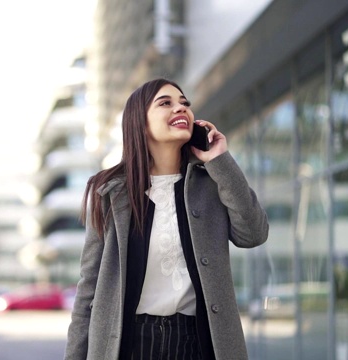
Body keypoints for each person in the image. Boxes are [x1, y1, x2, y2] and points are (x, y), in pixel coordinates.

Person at [63, 78, 269, 360]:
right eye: (165, 103)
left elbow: (254, 234)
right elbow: (88, 289)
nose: (180, 109)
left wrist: (220, 161)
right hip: (128, 343)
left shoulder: (211, 182)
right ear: (141, 121)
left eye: (185, 104)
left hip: (197, 342)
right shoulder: (111, 192)